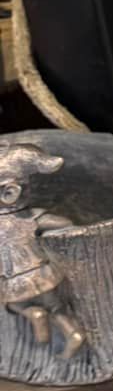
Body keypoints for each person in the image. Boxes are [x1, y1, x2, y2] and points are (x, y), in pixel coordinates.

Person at [0, 145, 84, 360]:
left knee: (13, 304)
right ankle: (73, 334)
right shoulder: (32, 217)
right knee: (56, 308)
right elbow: (65, 223)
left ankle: (31, 314)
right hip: (44, 274)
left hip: (14, 281)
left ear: (10, 192)